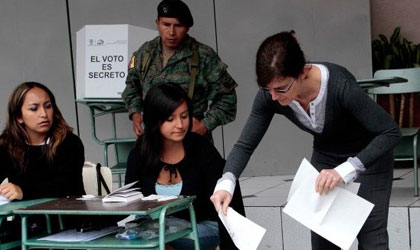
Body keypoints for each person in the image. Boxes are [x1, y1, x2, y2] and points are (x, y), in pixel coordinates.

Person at [210, 31, 402, 250]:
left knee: (370, 236)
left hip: (370, 156)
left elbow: (390, 132)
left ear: (303, 71)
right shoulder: (271, 95)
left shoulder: (340, 86)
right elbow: (245, 144)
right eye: (267, 89)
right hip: (327, 155)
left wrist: (347, 169)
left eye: (281, 89)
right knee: (323, 236)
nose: (273, 97)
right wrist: (227, 183)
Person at [125, 83, 244, 250]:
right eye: (170, 119)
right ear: (155, 120)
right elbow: (129, 197)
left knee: (163, 241)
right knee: (136, 237)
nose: (180, 125)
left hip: (200, 227)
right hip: (155, 227)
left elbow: (227, 205)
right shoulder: (141, 151)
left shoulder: (202, 149)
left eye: (184, 116)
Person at [122, 0, 238, 138]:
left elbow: (227, 97)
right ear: (157, 23)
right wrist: (135, 113)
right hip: (154, 140)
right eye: (166, 24)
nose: (171, 32)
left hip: (190, 142)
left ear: (187, 28)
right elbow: (132, 86)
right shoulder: (145, 53)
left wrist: (205, 125)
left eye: (178, 26)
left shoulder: (204, 56)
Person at [0, 81, 85, 242]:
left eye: (48, 106)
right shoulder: (6, 145)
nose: (44, 114)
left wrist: (22, 191)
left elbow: (65, 185)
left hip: (66, 223)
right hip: (26, 224)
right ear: (18, 117)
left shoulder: (69, 143)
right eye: (34, 108)